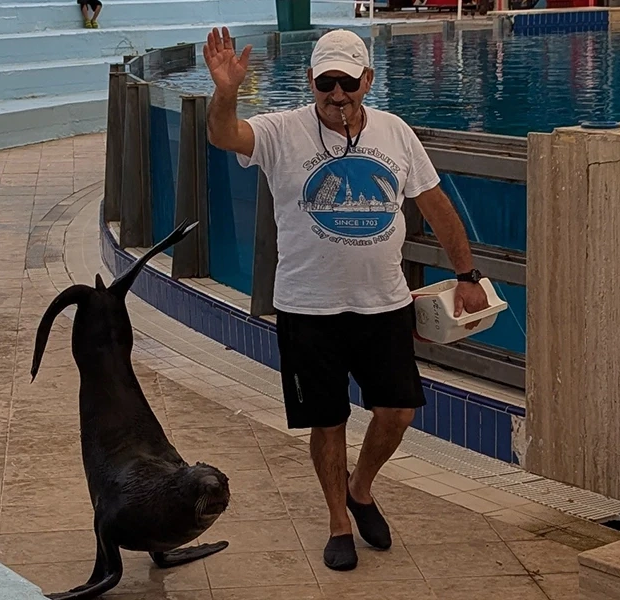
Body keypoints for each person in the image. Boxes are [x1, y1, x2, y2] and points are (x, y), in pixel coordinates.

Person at [203, 26, 489, 572]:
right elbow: (224, 135)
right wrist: (226, 91)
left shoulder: (395, 132)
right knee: (327, 420)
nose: (338, 94)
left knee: (398, 412)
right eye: (327, 82)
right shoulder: (282, 130)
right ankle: (339, 520)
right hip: (308, 309)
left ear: (368, 80)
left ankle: (361, 488)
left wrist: (467, 273)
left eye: (349, 83)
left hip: (384, 304)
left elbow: (435, 205)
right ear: (311, 80)